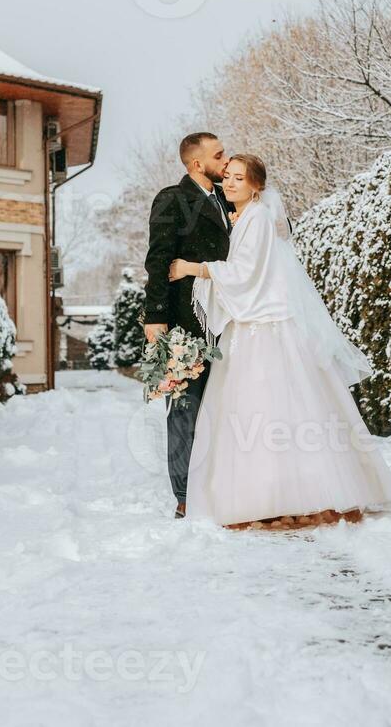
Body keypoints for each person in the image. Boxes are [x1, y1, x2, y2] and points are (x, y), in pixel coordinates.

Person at [169, 154, 391, 529]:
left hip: (264, 327)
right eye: (227, 176)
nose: (229, 183)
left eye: (238, 178)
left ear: (256, 185)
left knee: (268, 406)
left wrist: (191, 268)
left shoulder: (257, 218)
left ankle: (287, 493)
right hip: (255, 324)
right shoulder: (247, 217)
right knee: (268, 409)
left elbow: (245, 273)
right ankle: (273, 491)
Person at [143, 132, 234, 519]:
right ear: (197, 163)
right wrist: (156, 318)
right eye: (219, 155)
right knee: (184, 409)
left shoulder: (231, 199)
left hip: (227, 322)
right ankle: (184, 495)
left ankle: (221, 487)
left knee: (224, 408)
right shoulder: (171, 198)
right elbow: (158, 259)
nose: (226, 160)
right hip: (184, 325)